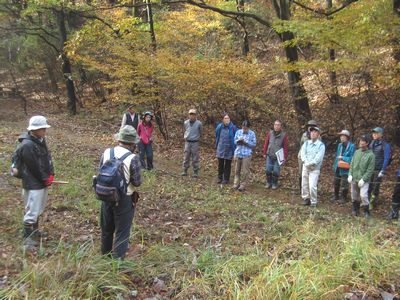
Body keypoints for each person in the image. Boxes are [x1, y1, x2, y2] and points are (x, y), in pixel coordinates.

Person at [99, 125, 141, 259]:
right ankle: (117, 263)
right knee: (122, 232)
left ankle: (104, 257)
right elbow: (137, 182)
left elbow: (100, 170)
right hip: (124, 199)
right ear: (132, 143)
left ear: (119, 139)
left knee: (106, 229)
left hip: (105, 195)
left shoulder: (107, 152)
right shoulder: (133, 158)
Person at [16, 116, 54, 247]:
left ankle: (35, 231)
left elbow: (47, 159)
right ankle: (27, 237)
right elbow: (34, 166)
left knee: (38, 208)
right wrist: (45, 179)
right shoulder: (27, 145)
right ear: (35, 129)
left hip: (40, 181)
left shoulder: (39, 140)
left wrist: (51, 174)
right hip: (33, 183)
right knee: (32, 209)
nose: (45, 130)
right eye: (42, 128)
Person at [348, 134, 375, 217]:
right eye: (360, 141)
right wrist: (350, 174)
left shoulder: (371, 155)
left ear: (367, 143)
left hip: (364, 180)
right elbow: (352, 164)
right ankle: (355, 209)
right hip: (354, 178)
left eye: (363, 141)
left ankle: (366, 211)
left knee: (363, 195)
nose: (361, 142)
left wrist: (363, 179)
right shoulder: (357, 152)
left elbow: (370, 170)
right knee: (353, 194)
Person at [300, 127, 325, 207]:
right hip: (305, 167)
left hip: (314, 169)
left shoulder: (321, 145)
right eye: (311, 132)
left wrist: (310, 164)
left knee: (312, 186)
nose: (313, 133)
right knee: (304, 184)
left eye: (315, 132)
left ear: (318, 134)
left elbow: (318, 158)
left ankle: (313, 201)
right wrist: (306, 162)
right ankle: (306, 198)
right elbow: (302, 154)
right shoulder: (306, 143)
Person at [368, 127, 392, 209]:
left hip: (378, 169)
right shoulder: (371, 143)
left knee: (376, 186)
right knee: (368, 185)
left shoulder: (385, 145)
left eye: (376, 133)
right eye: (373, 133)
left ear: (381, 134)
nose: (374, 134)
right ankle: (367, 201)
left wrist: (383, 170)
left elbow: (386, 158)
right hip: (370, 168)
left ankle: (373, 202)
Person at [263, 119, 288, 189]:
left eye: (278, 125)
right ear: (273, 125)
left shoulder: (284, 135)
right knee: (268, 170)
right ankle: (268, 182)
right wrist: (264, 153)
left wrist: (284, 157)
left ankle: (274, 183)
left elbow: (286, 147)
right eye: (275, 125)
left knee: (276, 171)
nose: (276, 126)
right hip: (269, 155)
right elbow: (266, 143)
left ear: (280, 126)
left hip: (278, 157)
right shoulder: (270, 133)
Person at [331, 130, 356, 204]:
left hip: (346, 167)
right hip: (338, 166)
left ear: (347, 137)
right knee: (336, 181)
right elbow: (337, 156)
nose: (341, 137)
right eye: (341, 136)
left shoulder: (352, 146)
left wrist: (343, 158)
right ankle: (336, 196)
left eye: (343, 136)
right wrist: (334, 165)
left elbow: (352, 158)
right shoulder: (339, 145)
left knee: (344, 183)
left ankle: (343, 198)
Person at [233, 120, 256, 192]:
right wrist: (238, 141)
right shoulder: (238, 132)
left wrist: (246, 142)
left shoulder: (252, 134)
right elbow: (234, 141)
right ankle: (236, 183)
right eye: (243, 127)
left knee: (245, 171)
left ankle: (243, 185)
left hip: (247, 154)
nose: (244, 129)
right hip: (238, 153)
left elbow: (254, 144)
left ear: (248, 127)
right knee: (237, 170)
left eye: (246, 128)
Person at [215, 114, 237, 184]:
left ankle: (226, 179)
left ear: (230, 120)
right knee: (220, 163)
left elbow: (237, 135)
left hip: (229, 148)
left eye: (228, 118)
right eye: (225, 118)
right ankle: (219, 177)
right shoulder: (219, 127)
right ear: (223, 120)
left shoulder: (233, 127)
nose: (226, 120)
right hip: (221, 147)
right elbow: (217, 135)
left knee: (228, 164)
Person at [297, 120, 318, 193]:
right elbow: (301, 144)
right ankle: (301, 190)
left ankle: (310, 191)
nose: (310, 127)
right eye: (309, 126)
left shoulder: (318, 137)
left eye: (312, 126)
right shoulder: (304, 135)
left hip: (312, 159)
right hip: (302, 157)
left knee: (310, 175)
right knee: (301, 174)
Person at [182, 109, 202, 178]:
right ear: (189, 115)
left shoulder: (199, 123)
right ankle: (185, 170)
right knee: (186, 156)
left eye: (193, 114)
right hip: (187, 142)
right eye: (190, 114)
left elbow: (201, 132)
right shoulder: (185, 122)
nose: (192, 116)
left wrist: (197, 137)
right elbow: (185, 130)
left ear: (195, 115)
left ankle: (195, 171)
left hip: (195, 142)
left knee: (195, 157)